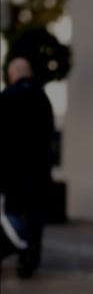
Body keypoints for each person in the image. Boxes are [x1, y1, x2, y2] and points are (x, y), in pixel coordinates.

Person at [0, 57, 54, 278]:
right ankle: (29, 260)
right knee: (35, 215)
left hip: (11, 169)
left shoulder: (6, 97)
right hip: (38, 169)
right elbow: (50, 133)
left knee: (9, 213)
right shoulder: (43, 97)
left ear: (12, 75)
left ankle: (8, 249)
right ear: (29, 73)